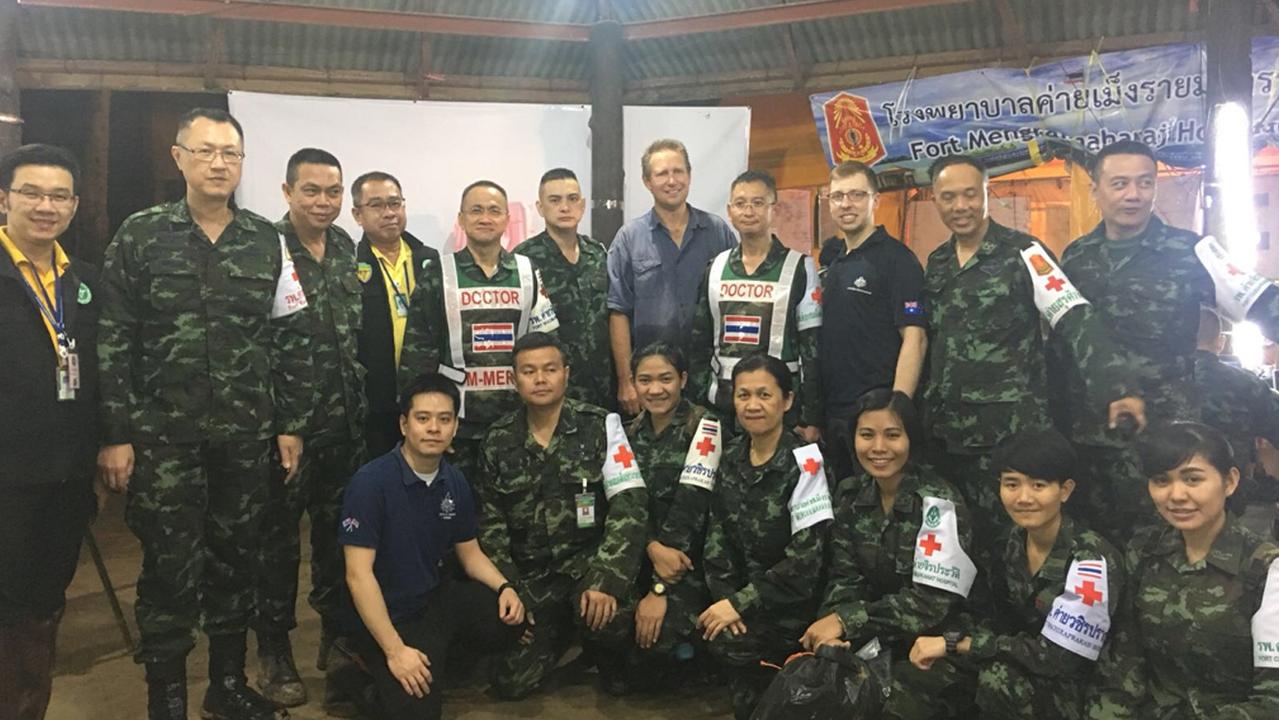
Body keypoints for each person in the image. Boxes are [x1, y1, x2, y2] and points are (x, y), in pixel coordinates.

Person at [96, 107, 311, 720]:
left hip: (245, 437)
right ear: (179, 157)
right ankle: (166, 699)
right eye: (207, 151)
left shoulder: (266, 241)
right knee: (167, 565)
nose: (220, 163)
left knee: (236, 557)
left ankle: (226, 683)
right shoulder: (140, 236)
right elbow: (113, 338)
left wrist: (289, 423)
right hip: (163, 439)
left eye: (232, 154)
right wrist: (115, 435)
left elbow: (287, 336)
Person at [1049, 139, 1213, 541]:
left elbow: (1235, 308)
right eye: (1120, 184)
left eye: (1144, 183)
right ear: (1096, 191)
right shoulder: (1076, 257)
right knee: (1097, 542)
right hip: (1092, 433)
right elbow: (1063, 340)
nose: (1133, 195)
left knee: (1166, 541)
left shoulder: (1189, 251)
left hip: (1166, 431)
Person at [339, 373, 527, 720]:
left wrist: (505, 586)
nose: (433, 428)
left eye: (444, 419)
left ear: (455, 426)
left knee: (509, 620)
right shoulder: (370, 483)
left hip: (432, 602)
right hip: (386, 615)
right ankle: (363, 676)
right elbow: (357, 576)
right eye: (422, 418)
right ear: (403, 424)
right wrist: (396, 651)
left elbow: (469, 554)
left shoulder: (452, 480)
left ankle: (434, 663)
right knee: (418, 714)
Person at [254, 148, 367, 711]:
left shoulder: (346, 247)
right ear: (287, 191)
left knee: (336, 536)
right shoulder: (265, 249)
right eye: (312, 191)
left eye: (333, 192)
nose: (324, 203)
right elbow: (257, 345)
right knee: (278, 545)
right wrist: (280, 422)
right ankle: (275, 650)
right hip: (288, 432)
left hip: (342, 427)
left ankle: (336, 634)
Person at [908, 428, 1124, 720]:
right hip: (1018, 661)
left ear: (1065, 490)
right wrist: (954, 642)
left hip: (1074, 686)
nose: (1023, 497)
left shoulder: (1090, 560)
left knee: (998, 678)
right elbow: (988, 615)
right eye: (1012, 484)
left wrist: (958, 644)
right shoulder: (1009, 541)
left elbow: (1061, 658)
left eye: (1038, 485)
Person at [477, 332, 648, 698]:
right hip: (533, 578)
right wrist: (511, 589)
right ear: (513, 379)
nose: (540, 379)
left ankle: (600, 649)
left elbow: (629, 506)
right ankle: (562, 633)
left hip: (589, 568)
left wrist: (607, 579)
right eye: (529, 371)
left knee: (613, 625)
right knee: (509, 682)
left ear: (566, 374)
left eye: (550, 369)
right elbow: (491, 527)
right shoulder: (497, 440)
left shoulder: (602, 425)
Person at [800, 388, 977, 719]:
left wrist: (847, 621)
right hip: (872, 636)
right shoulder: (850, 495)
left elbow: (932, 605)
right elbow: (844, 576)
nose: (878, 448)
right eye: (867, 435)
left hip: (934, 643)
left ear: (911, 439)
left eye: (892, 435)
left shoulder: (939, 502)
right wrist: (836, 630)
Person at [1086, 423, 1279, 718]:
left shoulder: (1266, 569)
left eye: (1193, 479)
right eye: (1161, 481)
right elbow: (1124, 665)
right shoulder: (1144, 550)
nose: (1176, 495)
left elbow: (1272, 701)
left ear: (1230, 482)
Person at [0, 144, 98, 720]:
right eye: (32, 192)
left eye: (59, 195)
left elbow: (98, 370)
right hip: (6, 473)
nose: (46, 206)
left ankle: (27, 706)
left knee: (44, 599)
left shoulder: (82, 280)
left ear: (75, 205)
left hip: (64, 475)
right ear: (4, 198)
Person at [701, 353, 833, 720]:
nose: (753, 405)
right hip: (743, 605)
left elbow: (806, 560)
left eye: (764, 394)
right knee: (724, 636)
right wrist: (727, 601)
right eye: (743, 395)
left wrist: (742, 602)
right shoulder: (730, 456)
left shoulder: (807, 462)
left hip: (791, 607)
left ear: (787, 401)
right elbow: (717, 539)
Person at [399, 180, 558, 482]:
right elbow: (416, 356)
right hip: (458, 426)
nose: (485, 218)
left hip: (517, 421)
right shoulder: (439, 273)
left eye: (494, 211)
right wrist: (423, 423)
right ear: (461, 219)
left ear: (506, 220)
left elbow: (547, 347)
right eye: (476, 211)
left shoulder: (527, 272)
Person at [607, 138, 737, 415]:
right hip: (652, 382)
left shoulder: (717, 232)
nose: (671, 180)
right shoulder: (629, 238)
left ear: (689, 175)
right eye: (661, 173)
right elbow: (618, 312)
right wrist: (626, 381)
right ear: (647, 181)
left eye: (678, 171)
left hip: (710, 377)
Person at [690, 170, 822, 440]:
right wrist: (699, 402)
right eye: (740, 203)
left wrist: (811, 415)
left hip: (781, 412)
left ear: (774, 208)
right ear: (729, 211)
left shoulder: (800, 267)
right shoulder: (715, 268)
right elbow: (699, 343)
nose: (748, 211)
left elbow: (812, 349)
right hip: (722, 409)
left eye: (758, 202)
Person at [817, 161, 926, 481]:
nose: (846, 204)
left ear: (875, 200)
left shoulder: (897, 260)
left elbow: (915, 338)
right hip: (835, 416)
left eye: (856, 194)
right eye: (837, 196)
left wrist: (897, 408)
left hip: (878, 418)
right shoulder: (834, 264)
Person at [625, 342, 716, 681]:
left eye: (665, 378)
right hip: (644, 553)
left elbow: (690, 510)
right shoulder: (629, 434)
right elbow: (625, 505)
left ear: (683, 379)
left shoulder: (705, 427)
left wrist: (659, 589)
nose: (655, 389)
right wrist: (651, 546)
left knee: (660, 639)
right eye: (645, 380)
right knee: (609, 624)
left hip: (689, 562)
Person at [352, 170, 441, 458]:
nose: (389, 213)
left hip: (425, 397)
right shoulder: (349, 265)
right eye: (377, 205)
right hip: (375, 399)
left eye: (395, 203)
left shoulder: (429, 258)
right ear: (357, 214)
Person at [514, 167, 612, 409]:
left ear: (583, 204)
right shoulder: (523, 259)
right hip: (550, 390)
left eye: (572, 199)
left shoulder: (597, 253)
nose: (565, 207)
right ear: (540, 207)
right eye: (555, 200)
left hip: (602, 387)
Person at [1194, 305, 1279, 506]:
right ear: (1221, 342)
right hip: (1231, 491)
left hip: (1165, 492)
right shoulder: (1245, 383)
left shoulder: (1154, 379)